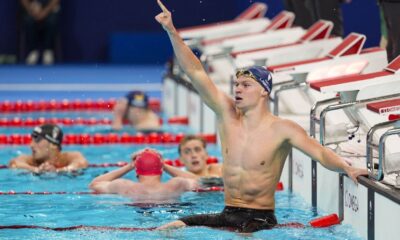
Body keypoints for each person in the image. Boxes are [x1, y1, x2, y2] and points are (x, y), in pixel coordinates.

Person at [155, 0, 368, 232]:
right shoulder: (227, 116)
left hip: (259, 220)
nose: (237, 89)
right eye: (236, 84)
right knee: (171, 227)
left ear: (264, 92)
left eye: (246, 85)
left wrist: (347, 168)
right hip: (227, 213)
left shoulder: (283, 129)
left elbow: (320, 152)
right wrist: (171, 31)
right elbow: (195, 71)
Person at [89, 148, 198, 203]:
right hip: (171, 211)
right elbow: (198, 181)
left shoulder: (123, 185)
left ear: (137, 171)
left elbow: (94, 184)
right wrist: (164, 165)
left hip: (138, 212)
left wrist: (129, 166)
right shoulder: (177, 184)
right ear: (161, 170)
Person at [9, 124, 88, 173]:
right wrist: (36, 170)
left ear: (53, 144)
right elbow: (14, 163)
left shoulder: (68, 158)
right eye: (31, 140)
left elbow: (81, 163)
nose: (31, 145)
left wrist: (57, 171)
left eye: (37, 140)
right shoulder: (31, 161)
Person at [20, 0, 60, 65]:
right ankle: (33, 51)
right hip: (32, 10)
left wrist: (44, 12)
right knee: (28, 20)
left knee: (52, 21)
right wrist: (31, 10)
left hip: (49, 10)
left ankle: (48, 51)